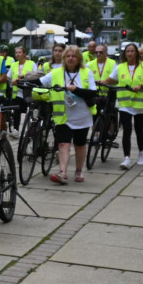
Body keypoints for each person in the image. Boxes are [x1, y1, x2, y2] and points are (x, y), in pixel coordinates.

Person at [41, 45, 97, 184]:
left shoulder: (87, 72)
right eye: (68, 56)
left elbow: (92, 92)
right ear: (64, 58)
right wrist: (22, 80)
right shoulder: (56, 72)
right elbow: (40, 81)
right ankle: (63, 173)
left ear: (79, 59)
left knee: (79, 144)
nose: (70, 58)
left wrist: (76, 90)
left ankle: (78, 171)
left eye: (74, 56)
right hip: (63, 116)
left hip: (81, 115)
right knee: (63, 144)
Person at [111, 42, 143, 169]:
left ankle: (141, 153)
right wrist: (99, 82)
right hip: (125, 104)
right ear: (125, 53)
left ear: (136, 53)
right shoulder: (120, 67)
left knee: (139, 130)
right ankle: (126, 158)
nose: (129, 53)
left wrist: (141, 86)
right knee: (126, 130)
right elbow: (111, 79)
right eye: (127, 51)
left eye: (132, 51)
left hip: (140, 105)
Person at [7, 46, 37, 136]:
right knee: (17, 112)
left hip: (28, 92)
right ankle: (16, 130)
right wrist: (11, 82)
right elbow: (8, 78)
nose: (17, 54)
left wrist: (24, 77)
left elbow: (36, 76)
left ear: (24, 54)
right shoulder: (14, 65)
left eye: (20, 52)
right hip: (17, 93)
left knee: (30, 112)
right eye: (16, 53)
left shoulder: (32, 64)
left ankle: (31, 131)